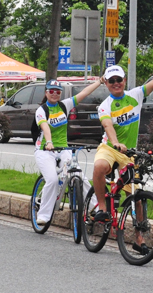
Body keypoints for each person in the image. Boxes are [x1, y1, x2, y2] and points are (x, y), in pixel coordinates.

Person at [92, 53, 153, 221]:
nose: (116, 84)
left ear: (124, 80)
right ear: (106, 83)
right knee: (99, 166)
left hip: (129, 152)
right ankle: (102, 208)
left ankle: (140, 238)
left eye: (119, 79)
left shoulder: (135, 95)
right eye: (112, 81)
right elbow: (108, 126)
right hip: (110, 148)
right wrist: (115, 143)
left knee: (135, 195)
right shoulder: (104, 106)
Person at [32, 77, 102, 227]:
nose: (54, 94)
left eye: (58, 92)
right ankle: (43, 215)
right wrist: (49, 142)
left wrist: (99, 82)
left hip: (63, 148)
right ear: (46, 92)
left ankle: (94, 208)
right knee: (52, 180)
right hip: (45, 150)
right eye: (51, 91)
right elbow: (45, 127)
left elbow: (84, 93)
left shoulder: (64, 105)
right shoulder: (41, 110)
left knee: (78, 175)